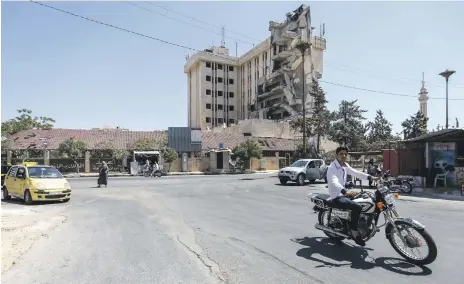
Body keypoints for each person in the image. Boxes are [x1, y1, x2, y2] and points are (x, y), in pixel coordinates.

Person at [326, 146, 377, 246]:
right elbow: (334, 182)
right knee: (357, 207)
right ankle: (354, 231)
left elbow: (355, 173)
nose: (343, 156)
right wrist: (345, 191)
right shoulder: (332, 167)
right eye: (341, 154)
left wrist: (370, 177)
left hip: (344, 194)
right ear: (336, 155)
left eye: (345, 154)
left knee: (367, 200)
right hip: (337, 196)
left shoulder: (345, 165)